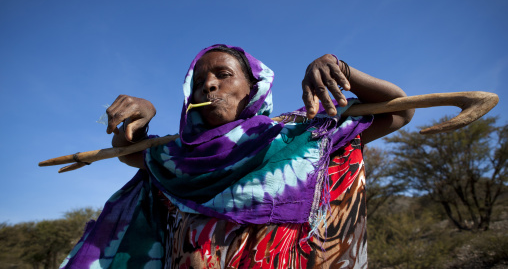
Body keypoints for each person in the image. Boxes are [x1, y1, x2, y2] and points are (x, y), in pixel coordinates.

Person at [61, 44, 413, 269]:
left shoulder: (298, 137)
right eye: (199, 81)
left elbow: (397, 112)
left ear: (253, 88)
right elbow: (129, 153)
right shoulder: (178, 157)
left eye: (223, 75)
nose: (209, 85)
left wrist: (342, 69)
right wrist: (142, 115)